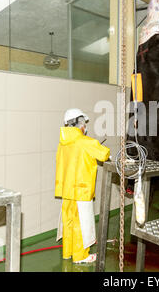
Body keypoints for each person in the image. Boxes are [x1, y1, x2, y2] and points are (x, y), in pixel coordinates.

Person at [55, 108, 110, 263]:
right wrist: (99, 147)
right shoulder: (86, 142)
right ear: (79, 124)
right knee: (81, 223)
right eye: (84, 123)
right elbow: (104, 154)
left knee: (69, 221)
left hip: (67, 190)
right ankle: (81, 256)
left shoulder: (62, 143)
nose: (85, 127)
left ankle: (68, 252)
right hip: (81, 191)